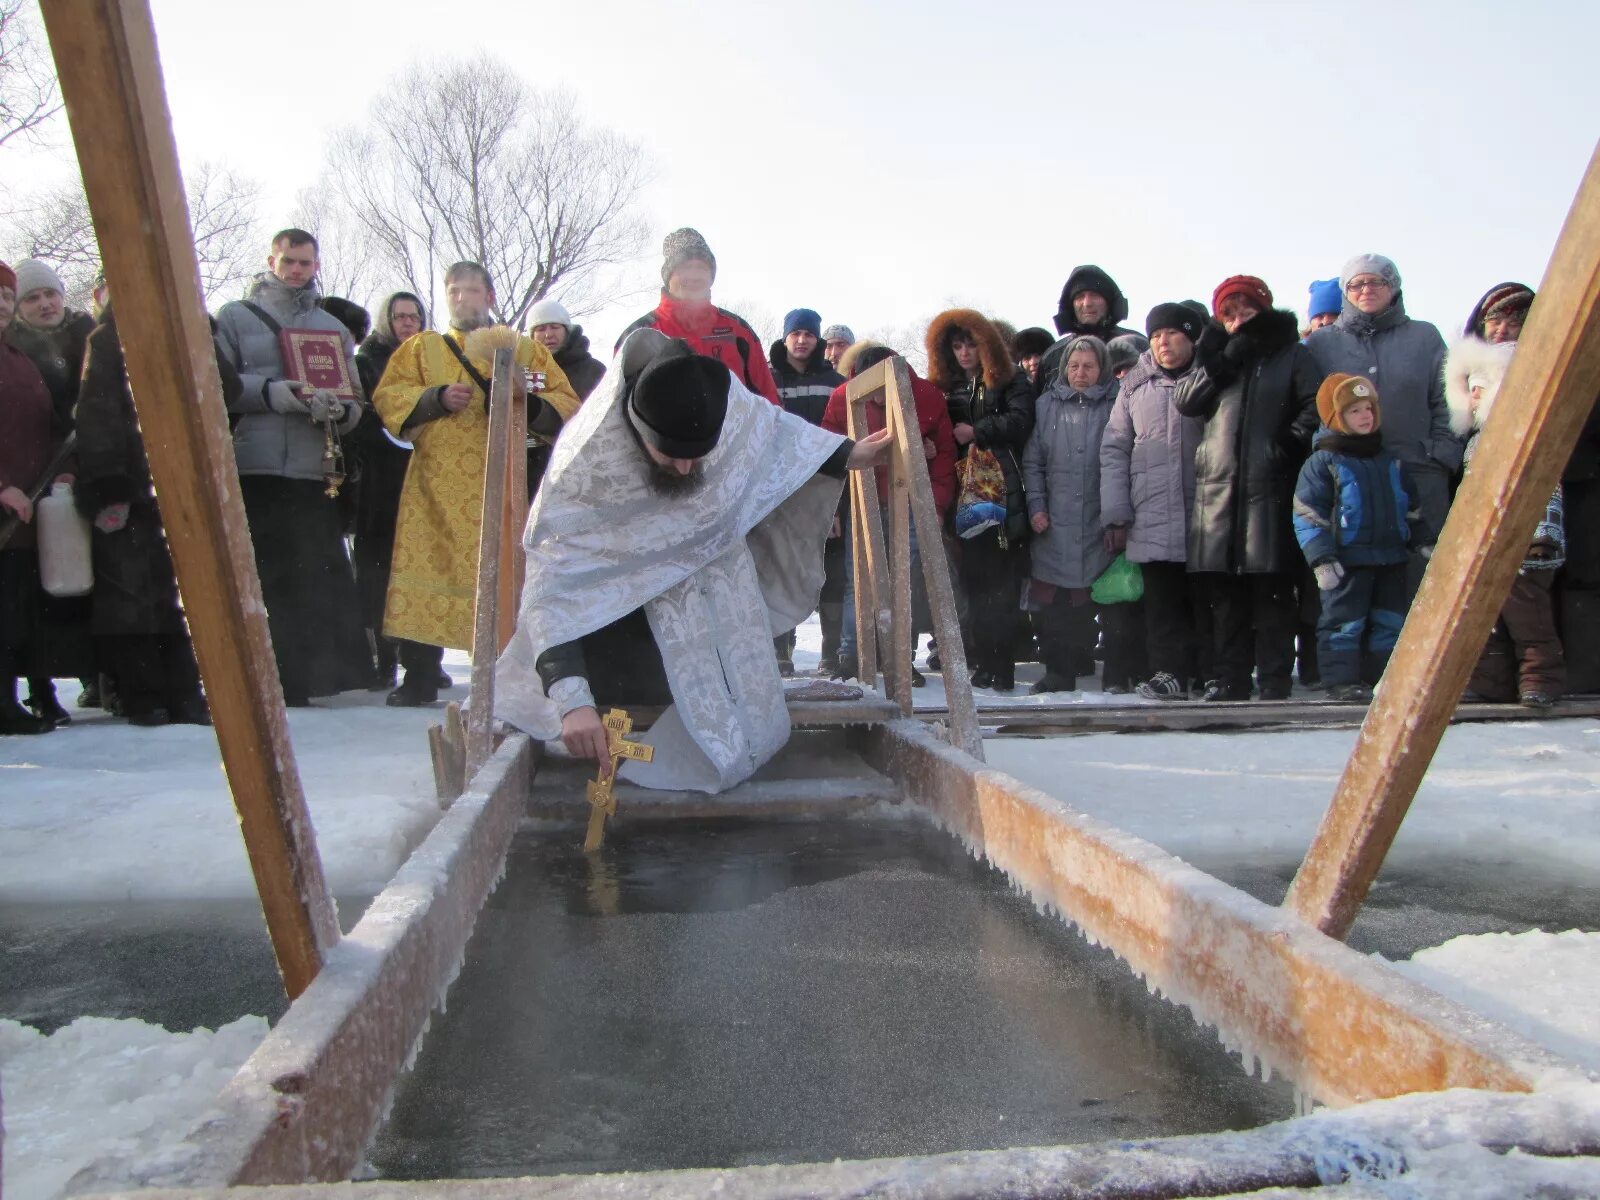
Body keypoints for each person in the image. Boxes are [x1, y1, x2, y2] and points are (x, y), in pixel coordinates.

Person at [493, 329, 893, 793]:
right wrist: (573, 700)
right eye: (670, 456)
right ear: (638, 430)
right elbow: (554, 593)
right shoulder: (581, 471)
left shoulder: (719, 397)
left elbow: (773, 434)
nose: (685, 470)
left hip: (703, 621)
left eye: (697, 458)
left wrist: (847, 452)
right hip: (614, 649)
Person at [374, 261, 580, 706]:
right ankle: (421, 675)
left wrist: (525, 400)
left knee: (508, 578)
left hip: (505, 483)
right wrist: (434, 398)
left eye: (472, 291)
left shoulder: (522, 349)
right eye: (454, 291)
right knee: (429, 570)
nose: (463, 299)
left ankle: (507, 675)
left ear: (489, 296)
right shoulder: (420, 349)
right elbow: (389, 396)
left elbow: (566, 402)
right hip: (436, 487)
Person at [214, 228, 370, 706]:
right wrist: (267, 393)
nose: (297, 270)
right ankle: (261, 677)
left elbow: (356, 400)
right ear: (271, 260)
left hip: (309, 466)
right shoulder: (235, 317)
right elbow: (215, 381)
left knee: (312, 574)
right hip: (254, 464)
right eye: (289, 261)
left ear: (316, 265)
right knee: (264, 576)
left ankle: (311, 677)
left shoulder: (331, 327)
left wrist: (340, 413)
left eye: (305, 262)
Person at [72, 297, 239, 725]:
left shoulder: (187, 333)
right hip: (132, 484)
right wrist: (109, 485)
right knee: (131, 593)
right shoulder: (107, 339)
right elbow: (98, 414)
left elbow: (228, 390)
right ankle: (142, 694)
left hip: (185, 481)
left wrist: (201, 331)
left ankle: (186, 689)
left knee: (182, 592)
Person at [1175, 276, 1320, 701]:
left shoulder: (1293, 355)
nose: (1237, 320)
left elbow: (1316, 405)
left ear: (1264, 310)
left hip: (1269, 486)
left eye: (1245, 311)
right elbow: (1186, 401)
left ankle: (1275, 679)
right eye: (1228, 313)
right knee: (1226, 598)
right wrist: (1223, 361)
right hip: (1218, 489)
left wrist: (1287, 443)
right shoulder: (1216, 355)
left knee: (1272, 592)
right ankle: (1230, 678)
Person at [1305, 254, 1459, 595]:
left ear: (1394, 287)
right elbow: (1310, 408)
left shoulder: (1425, 337)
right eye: (1356, 284)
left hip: (1420, 474)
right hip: (1351, 482)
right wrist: (1327, 457)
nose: (1366, 290)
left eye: (1377, 282)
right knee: (1357, 594)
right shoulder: (1322, 344)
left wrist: (1440, 454)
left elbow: (1446, 399)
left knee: (1425, 584)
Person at [1445, 304, 1564, 708]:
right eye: (1471, 392)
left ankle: (1540, 677)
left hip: (1525, 541)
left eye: (1484, 392)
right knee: (1485, 613)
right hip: (1485, 539)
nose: (1476, 399)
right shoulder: (1475, 443)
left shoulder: (1526, 439)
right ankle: (1491, 681)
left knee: (1527, 610)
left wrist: (1542, 536)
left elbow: (1547, 487)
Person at [821, 342, 957, 684]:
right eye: (873, 390)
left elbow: (943, 456)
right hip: (859, 500)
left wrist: (937, 506)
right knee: (859, 581)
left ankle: (899, 659)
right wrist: (831, 510)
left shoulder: (927, 396)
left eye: (884, 389)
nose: (878, 397)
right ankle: (852, 656)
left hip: (908, 502)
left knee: (902, 581)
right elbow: (828, 457)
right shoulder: (844, 397)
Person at [1294, 374, 1433, 704]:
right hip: (1347, 560)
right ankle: (1340, 680)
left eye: (1368, 408)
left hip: (1390, 557)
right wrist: (1321, 557)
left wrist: (1422, 539)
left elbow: (1410, 507)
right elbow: (1308, 513)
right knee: (1344, 621)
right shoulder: (1323, 461)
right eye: (1354, 410)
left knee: (1390, 621)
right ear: (1336, 417)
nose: (1365, 416)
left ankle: (1382, 677)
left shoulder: (1389, 461)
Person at [4, 258, 97, 722]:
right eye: (29, 297)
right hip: (19, 488)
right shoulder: (15, 348)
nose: (43, 304)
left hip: (61, 480)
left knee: (57, 591)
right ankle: (22, 694)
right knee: (18, 598)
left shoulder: (82, 339)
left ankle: (76, 682)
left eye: (50, 294)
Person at [1100, 303, 1207, 700]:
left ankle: (1205, 673)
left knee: (1202, 601)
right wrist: (1116, 514)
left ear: (1191, 338)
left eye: (1173, 334)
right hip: (1151, 510)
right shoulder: (1133, 386)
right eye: (1157, 335)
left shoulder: (1210, 378)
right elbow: (1114, 450)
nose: (1164, 342)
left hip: (1203, 510)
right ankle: (1167, 672)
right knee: (1160, 605)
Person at [927, 308, 1034, 692]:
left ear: (985, 344)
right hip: (964, 495)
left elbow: (1022, 422)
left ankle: (1002, 665)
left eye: (971, 344)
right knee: (974, 582)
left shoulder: (1011, 380)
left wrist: (978, 430)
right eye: (956, 346)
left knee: (1001, 585)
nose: (964, 352)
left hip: (1003, 493)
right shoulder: (950, 387)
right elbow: (940, 430)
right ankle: (984, 661)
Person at [1022, 335, 1123, 693]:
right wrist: (1037, 506)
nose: (1081, 373)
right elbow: (1033, 462)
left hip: (1101, 517)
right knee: (1054, 602)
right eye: (1075, 366)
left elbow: (1123, 459)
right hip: (1055, 522)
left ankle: (1104, 667)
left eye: (1089, 366)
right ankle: (1057, 671)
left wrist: (1117, 516)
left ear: (1102, 369)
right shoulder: (1046, 404)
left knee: (1103, 598)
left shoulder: (1117, 403)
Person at [353, 291, 429, 691]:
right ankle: (383, 659)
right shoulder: (368, 362)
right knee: (379, 572)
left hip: (424, 474)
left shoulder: (432, 359)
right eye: (399, 317)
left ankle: (422, 658)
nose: (407, 324)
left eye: (414, 317)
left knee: (421, 570)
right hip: (382, 481)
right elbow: (364, 417)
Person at [615, 228, 780, 404]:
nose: (694, 276)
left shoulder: (738, 332)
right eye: (685, 267)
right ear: (668, 276)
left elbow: (771, 406)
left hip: (734, 431)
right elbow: (615, 412)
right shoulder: (638, 336)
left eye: (701, 267)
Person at [768, 307, 847, 674]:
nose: (802, 340)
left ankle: (831, 651)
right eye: (796, 333)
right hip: (778, 490)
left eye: (809, 335)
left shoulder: (835, 382)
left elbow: (842, 440)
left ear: (817, 341)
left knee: (830, 573)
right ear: (786, 338)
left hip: (825, 488)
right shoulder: (766, 378)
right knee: (778, 569)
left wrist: (836, 507)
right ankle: (781, 649)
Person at [1038, 265, 1142, 384]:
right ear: (1071, 305)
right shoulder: (1053, 356)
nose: (1087, 303)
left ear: (1108, 302)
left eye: (1095, 295)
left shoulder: (1138, 346)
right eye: (1079, 297)